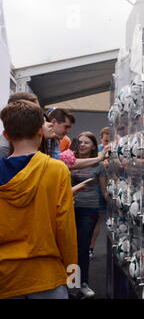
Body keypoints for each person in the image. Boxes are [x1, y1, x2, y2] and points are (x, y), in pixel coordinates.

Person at [0, 98, 77, 299]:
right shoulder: (57, 170)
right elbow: (66, 228)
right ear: (41, 130)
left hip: (5, 277)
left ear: (6, 135)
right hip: (47, 276)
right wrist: (72, 276)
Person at [71, 131, 107, 299]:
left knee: (83, 247)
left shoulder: (98, 166)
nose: (82, 145)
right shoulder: (70, 161)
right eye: (80, 142)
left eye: (86, 142)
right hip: (69, 208)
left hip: (89, 208)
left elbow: (104, 190)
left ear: (94, 145)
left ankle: (83, 283)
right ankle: (72, 283)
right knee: (69, 246)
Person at [89, 127, 110, 258]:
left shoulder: (118, 149)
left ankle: (91, 247)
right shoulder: (96, 150)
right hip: (97, 188)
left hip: (111, 187)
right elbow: (93, 164)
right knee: (94, 220)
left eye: (109, 140)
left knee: (100, 220)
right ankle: (89, 247)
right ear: (101, 138)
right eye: (105, 140)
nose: (107, 143)